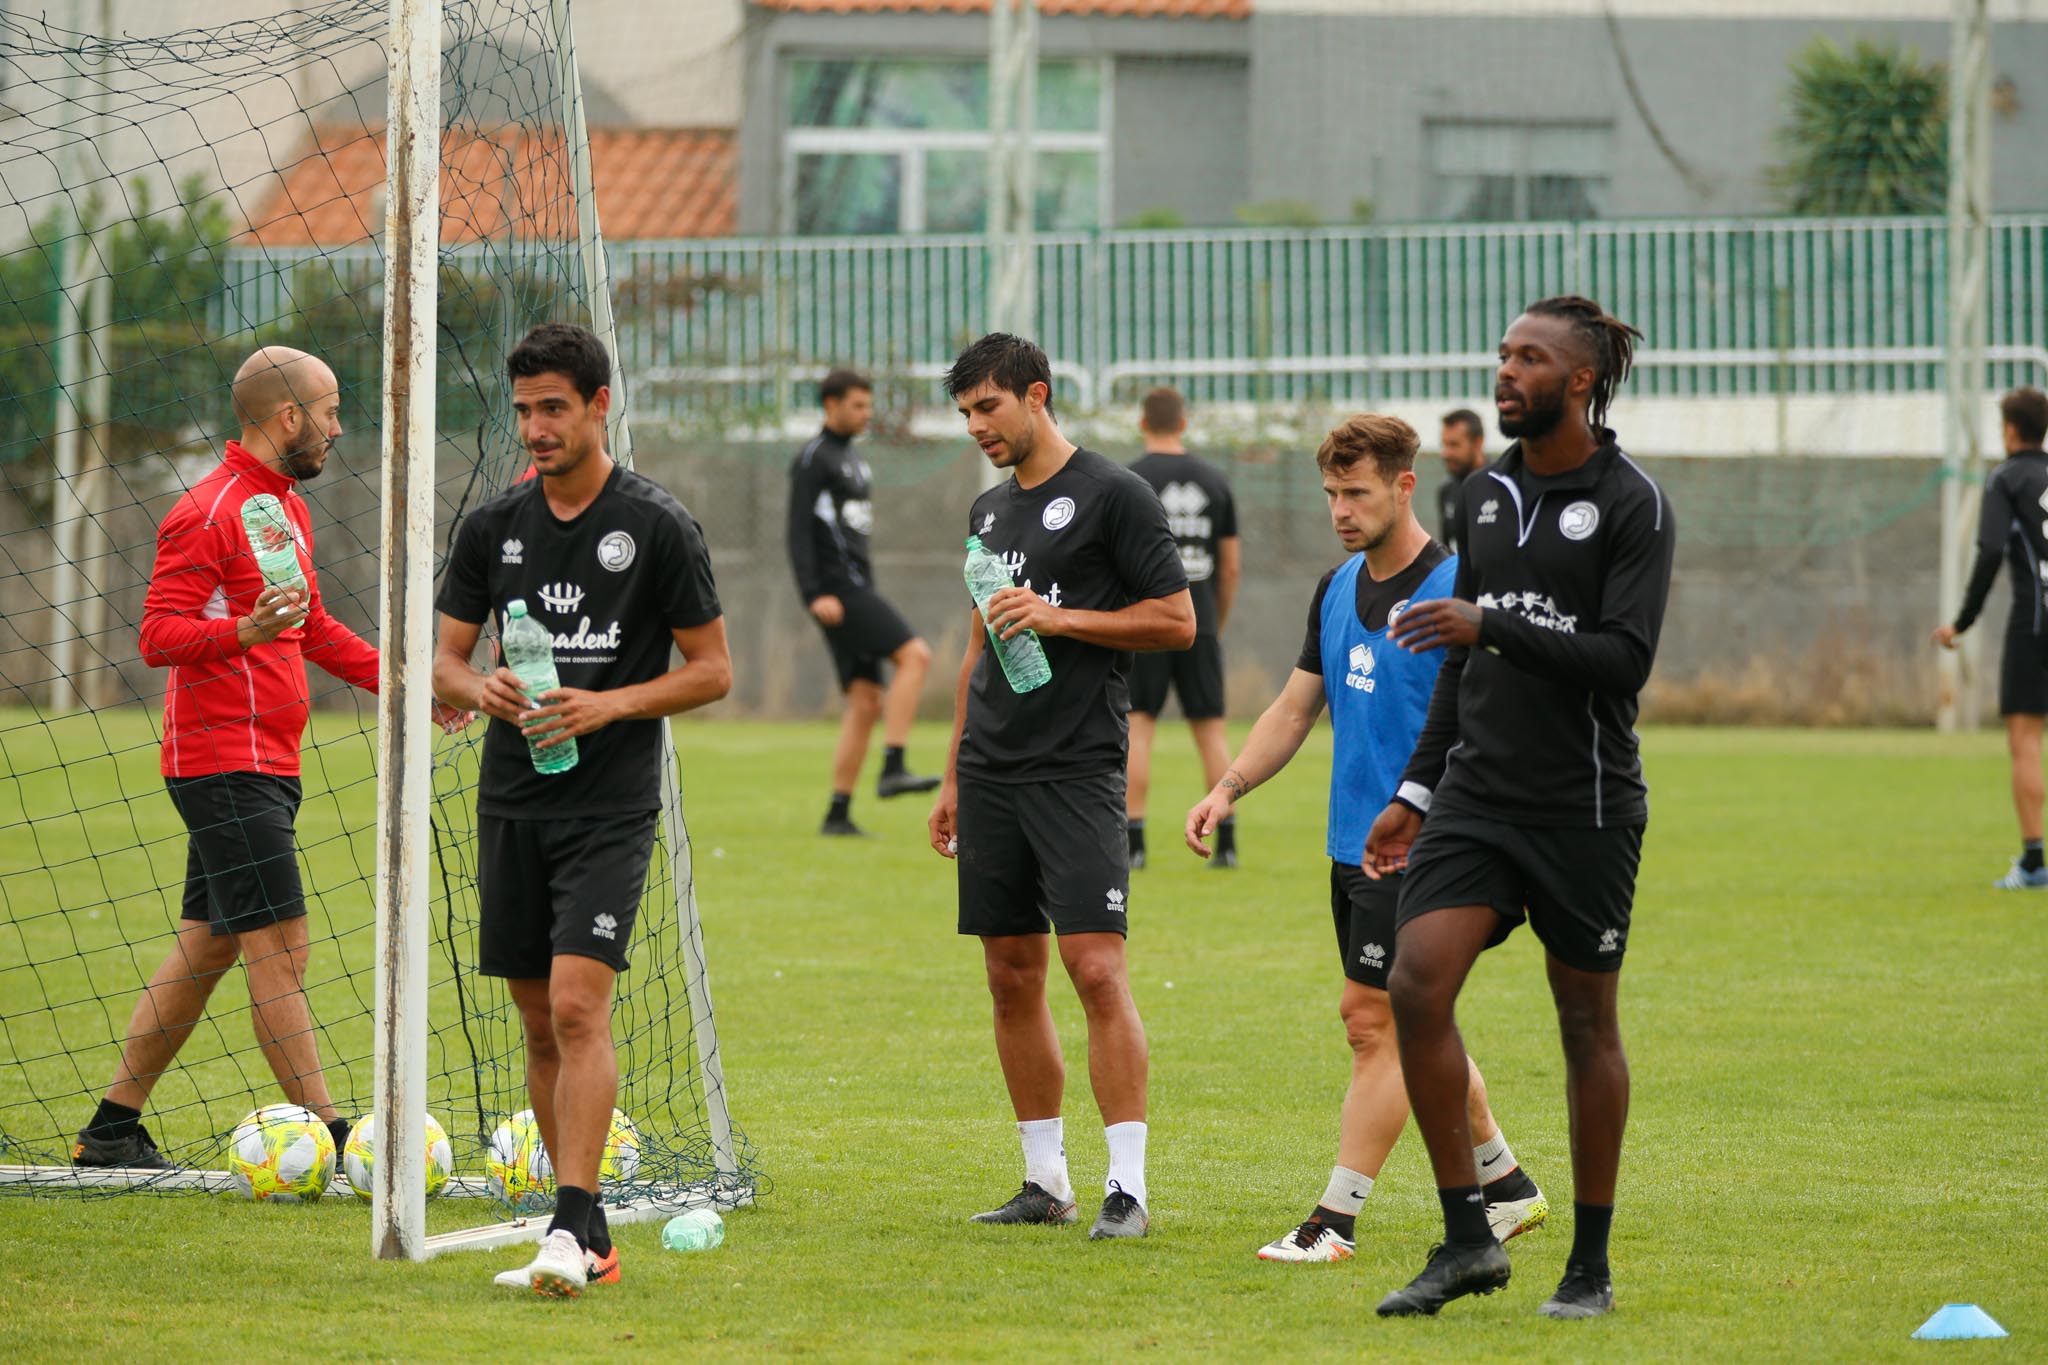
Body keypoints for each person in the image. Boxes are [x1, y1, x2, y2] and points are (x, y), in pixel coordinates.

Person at [74, 347, 465, 1170]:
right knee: (282, 946)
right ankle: (328, 1132)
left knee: (210, 944)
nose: (337, 427)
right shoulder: (208, 510)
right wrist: (238, 633)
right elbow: (156, 637)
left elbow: (313, 626)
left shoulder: (281, 507)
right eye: (328, 411)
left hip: (266, 761)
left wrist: (408, 687)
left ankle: (112, 1127)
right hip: (222, 763)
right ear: (287, 418)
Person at [1364, 296, 1671, 1321]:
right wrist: (1415, 789)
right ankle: (1465, 1241)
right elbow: (1459, 659)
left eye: (1528, 359)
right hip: (1475, 801)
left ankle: (1587, 1265)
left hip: (1582, 807)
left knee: (1584, 1024)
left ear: (1578, 381)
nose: (1505, 373)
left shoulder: (1631, 503)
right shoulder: (1480, 495)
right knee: (1414, 982)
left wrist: (1489, 623)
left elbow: (1622, 661)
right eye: (1501, 355)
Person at [1183, 413, 1546, 1264]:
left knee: (1370, 1022)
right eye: (1332, 494)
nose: (1341, 509)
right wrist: (1229, 785)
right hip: (1352, 846)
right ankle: (1509, 1185)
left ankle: (1333, 1219)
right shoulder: (1337, 586)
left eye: (1358, 492)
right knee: (1416, 1020)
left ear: (1404, 486)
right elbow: (1295, 707)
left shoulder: (1461, 587)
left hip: (1433, 847)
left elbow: (1505, 722)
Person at [433, 323, 731, 1297]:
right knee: (535, 1022)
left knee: (575, 1003)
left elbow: (714, 670)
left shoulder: (654, 526)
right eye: (522, 411)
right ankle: (590, 1229)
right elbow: (440, 660)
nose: (534, 428)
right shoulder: (490, 529)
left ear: (600, 405)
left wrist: (609, 701)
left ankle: (564, 1231)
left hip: (609, 804)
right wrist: (481, 691)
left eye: (552, 407)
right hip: (512, 798)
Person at [927, 333, 1193, 1240]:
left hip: (1078, 767)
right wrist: (956, 769)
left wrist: (1059, 616)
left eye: (988, 408)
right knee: (1009, 974)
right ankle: (1046, 1182)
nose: (976, 427)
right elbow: (978, 643)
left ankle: (1128, 1188)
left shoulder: (1118, 494)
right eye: (964, 413)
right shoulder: (987, 512)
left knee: (1095, 968)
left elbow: (1176, 620)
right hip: (992, 769)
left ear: (1036, 395)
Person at [787, 368, 940, 836]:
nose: (865, 414)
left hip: (857, 585)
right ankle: (893, 765)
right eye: (856, 405)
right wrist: (816, 593)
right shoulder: (814, 458)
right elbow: (797, 531)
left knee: (865, 698)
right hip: (841, 591)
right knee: (916, 655)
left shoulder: (853, 459)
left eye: (868, 406)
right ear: (830, 405)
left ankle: (838, 814)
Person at [1933, 386, 2048, 887]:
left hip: (2036, 621)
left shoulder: (2005, 479)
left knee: (2025, 739)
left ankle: (2033, 862)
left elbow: (1990, 552)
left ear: (2008, 429)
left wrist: (1962, 621)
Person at [1124, 387, 1240, 869]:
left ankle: (1134, 847)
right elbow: (1230, 567)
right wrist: (1214, 621)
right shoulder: (1214, 481)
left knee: (1137, 730)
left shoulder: (1128, 480)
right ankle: (1227, 844)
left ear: (1142, 423)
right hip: (1202, 624)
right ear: (1184, 423)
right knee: (1211, 731)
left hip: (1147, 623)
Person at [1437, 409, 1488, 555]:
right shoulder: (1446, 491)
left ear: (1478, 443)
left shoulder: (1501, 488)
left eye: (1454, 445)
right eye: (1444, 445)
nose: (1446, 453)